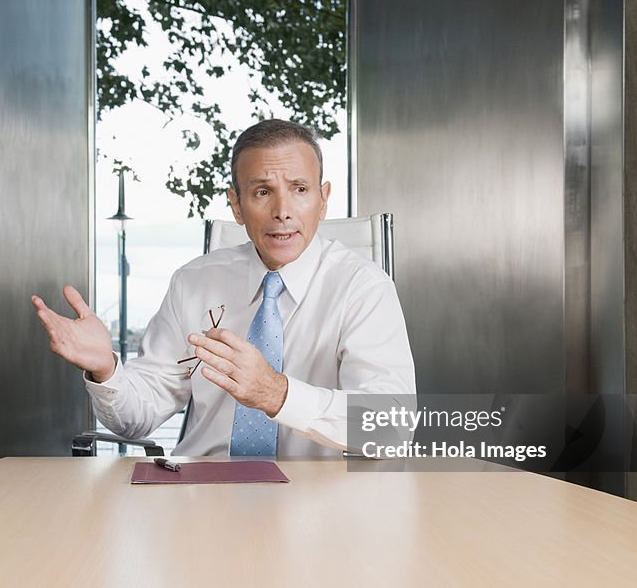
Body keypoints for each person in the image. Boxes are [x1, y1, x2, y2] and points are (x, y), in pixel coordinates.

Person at [31, 119, 415, 456]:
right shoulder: (193, 283)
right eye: (263, 192)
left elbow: (392, 427)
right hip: (202, 494)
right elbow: (136, 420)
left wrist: (276, 394)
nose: (283, 210)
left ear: (323, 199)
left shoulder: (363, 288)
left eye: (299, 189)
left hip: (319, 503)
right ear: (236, 205)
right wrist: (106, 369)